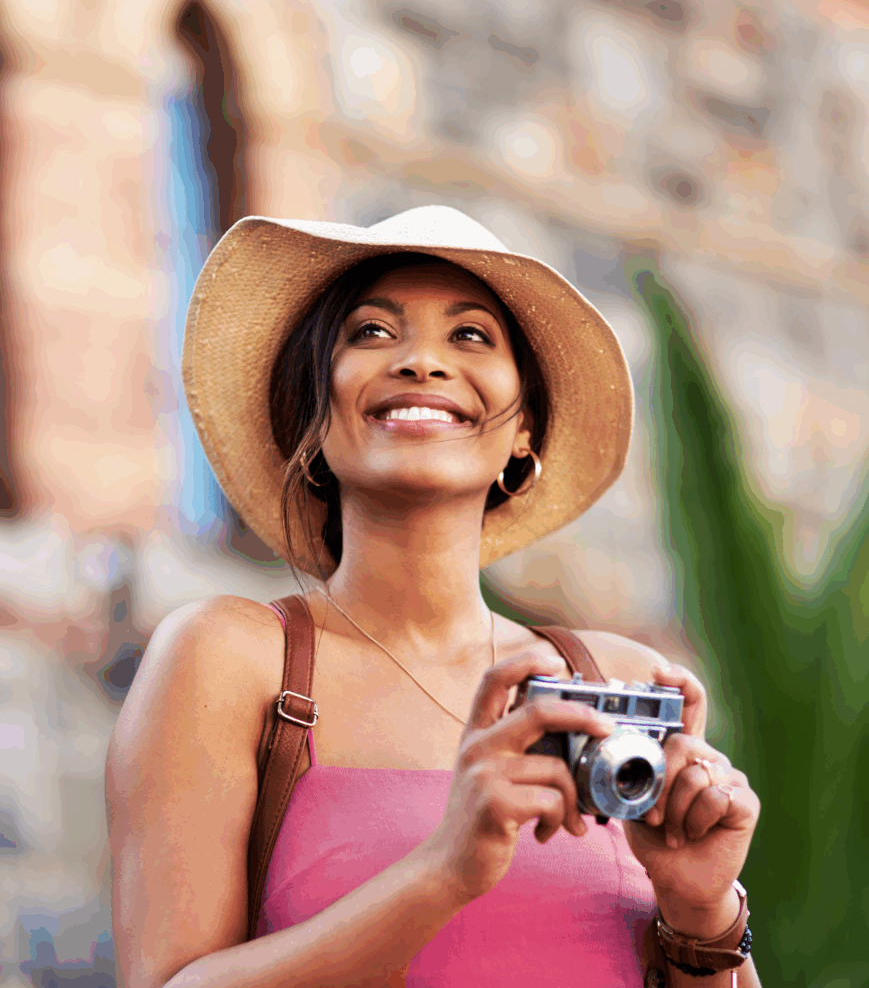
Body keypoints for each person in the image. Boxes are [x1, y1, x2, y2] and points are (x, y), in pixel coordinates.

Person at [106, 206, 761, 988]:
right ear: (313, 421)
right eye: (372, 333)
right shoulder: (231, 658)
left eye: (471, 336)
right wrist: (443, 871)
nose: (421, 361)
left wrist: (703, 911)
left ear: (524, 430)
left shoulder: (614, 680)